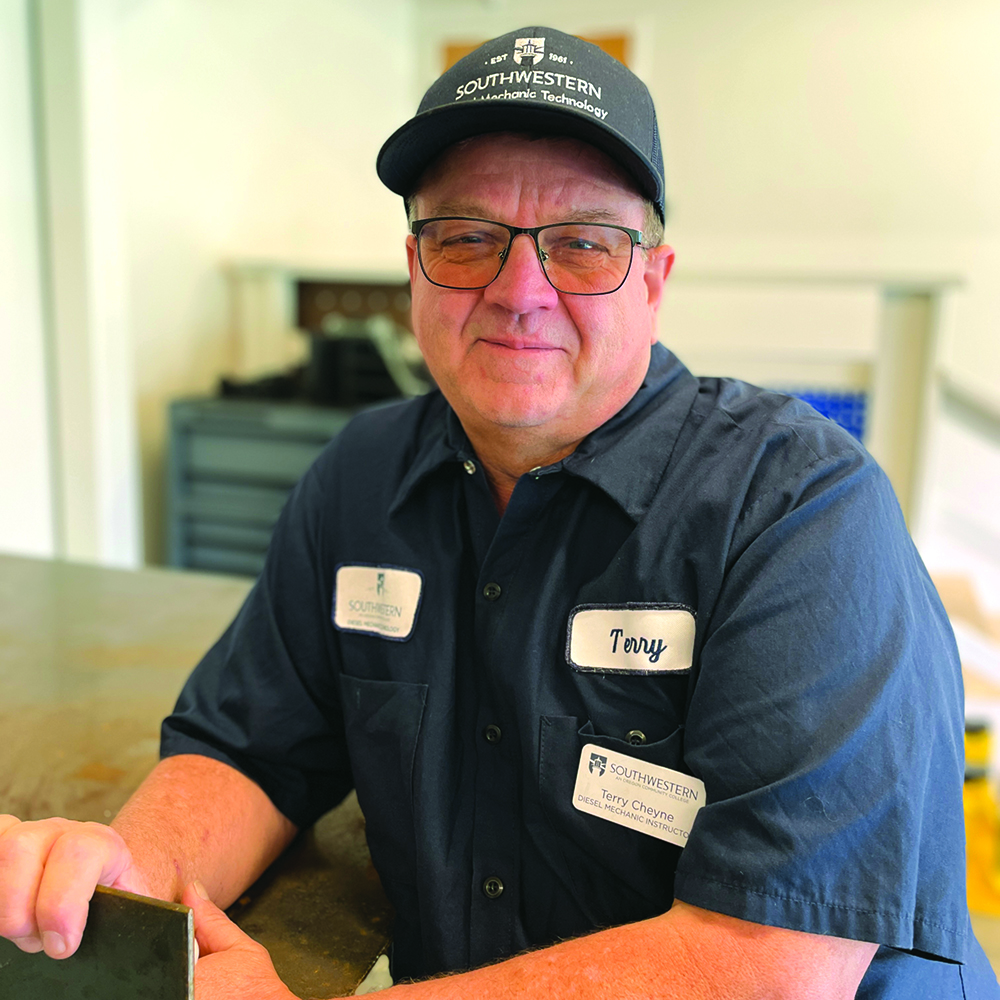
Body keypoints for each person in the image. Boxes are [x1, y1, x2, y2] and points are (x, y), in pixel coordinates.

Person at [1, 26, 997, 1000]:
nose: (520, 290)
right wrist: (117, 876)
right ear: (413, 268)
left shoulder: (797, 515)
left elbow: (767, 965)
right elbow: (248, 749)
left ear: (654, 278)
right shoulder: (361, 480)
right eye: (467, 237)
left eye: (582, 244)